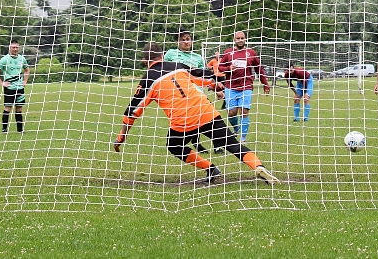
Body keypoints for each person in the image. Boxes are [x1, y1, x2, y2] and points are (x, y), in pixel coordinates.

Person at [113, 43, 279, 185]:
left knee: (174, 146)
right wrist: (216, 86)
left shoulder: (147, 79)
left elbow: (132, 112)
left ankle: (210, 168)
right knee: (232, 144)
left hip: (182, 122)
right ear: (163, 55)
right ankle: (258, 166)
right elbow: (204, 75)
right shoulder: (178, 66)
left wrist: (122, 136)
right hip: (206, 112)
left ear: (144, 61)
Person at [164, 29, 225, 154]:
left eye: (188, 39)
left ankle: (217, 146)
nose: (186, 42)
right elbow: (164, 72)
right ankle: (197, 144)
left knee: (211, 117)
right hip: (180, 95)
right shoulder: (171, 54)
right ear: (178, 41)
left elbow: (205, 78)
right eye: (183, 39)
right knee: (191, 121)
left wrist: (216, 90)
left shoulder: (197, 57)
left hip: (197, 94)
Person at [217, 31, 270, 143]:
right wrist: (228, 68)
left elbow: (259, 69)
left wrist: (265, 84)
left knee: (244, 111)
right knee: (232, 113)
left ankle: (243, 139)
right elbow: (220, 67)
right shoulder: (228, 53)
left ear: (245, 39)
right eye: (238, 38)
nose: (240, 40)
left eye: (242, 38)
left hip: (246, 86)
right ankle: (236, 128)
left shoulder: (251, 53)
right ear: (234, 40)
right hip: (230, 87)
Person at [0, 40, 30, 133]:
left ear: (19, 48)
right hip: (9, 88)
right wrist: (2, 83)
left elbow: (27, 70)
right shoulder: (5, 59)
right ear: (10, 48)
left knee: (19, 108)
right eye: (13, 47)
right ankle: (4, 129)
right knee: (7, 108)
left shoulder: (22, 59)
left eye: (17, 47)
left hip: (20, 88)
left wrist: (25, 81)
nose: (15, 49)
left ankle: (20, 130)